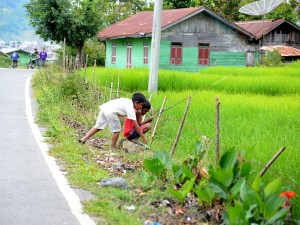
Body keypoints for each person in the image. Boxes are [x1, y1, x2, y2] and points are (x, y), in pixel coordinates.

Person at [79, 93, 148, 149]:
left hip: (105, 108)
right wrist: (143, 137)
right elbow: (136, 125)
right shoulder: (130, 108)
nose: (141, 107)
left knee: (98, 127)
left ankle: (83, 139)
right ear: (136, 103)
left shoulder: (128, 101)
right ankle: (112, 148)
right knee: (117, 130)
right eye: (141, 105)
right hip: (111, 112)